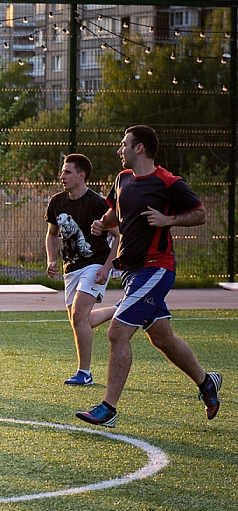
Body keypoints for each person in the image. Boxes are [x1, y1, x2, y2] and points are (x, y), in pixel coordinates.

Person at [76, 125, 221, 427]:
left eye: (123, 144)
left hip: (156, 268)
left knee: (117, 332)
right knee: (162, 338)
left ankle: (108, 409)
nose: (120, 149)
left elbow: (200, 213)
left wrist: (168, 219)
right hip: (132, 272)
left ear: (138, 148)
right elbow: (116, 210)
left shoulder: (169, 182)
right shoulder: (122, 179)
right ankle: (207, 383)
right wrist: (102, 224)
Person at [45, 153, 118, 386]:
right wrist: (51, 260)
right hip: (71, 268)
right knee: (80, 319)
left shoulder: (98, 204)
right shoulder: (57, 202)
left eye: (67, 172)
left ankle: (84, 373)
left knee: (78, 316)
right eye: (62, 172)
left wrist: (108, 266)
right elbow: (52, 234)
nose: (62, 176)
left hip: (95, 264)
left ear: (81, 175)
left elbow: (118, 237)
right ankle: (119, 310)